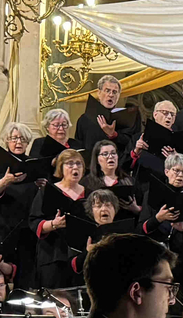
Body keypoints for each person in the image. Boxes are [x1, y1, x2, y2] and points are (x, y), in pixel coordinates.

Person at [138, 153, 183, 279]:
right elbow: (141, 229)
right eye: (176, 171)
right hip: (156, 255)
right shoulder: (151, 194)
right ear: (167, 172)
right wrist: (158, 219)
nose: (180, 175)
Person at [29, 149, 88, 289]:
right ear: (61, 168)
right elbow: (34, 220)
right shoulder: (48, 191)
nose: (75, 167)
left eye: (79, 164)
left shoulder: (90, 193)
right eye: (70, 164)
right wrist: (53, 224)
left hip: (81, 257)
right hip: (53, 254)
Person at [0, 122, 39, 289]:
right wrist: (4, 182)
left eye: (22, 139)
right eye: (14, 138)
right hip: (4, 225)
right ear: (6, 141)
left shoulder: (34, 164)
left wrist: (42, 184)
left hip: (28, 227)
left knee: (27, 272)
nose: (18, 142)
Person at [74, 75, 141, 154]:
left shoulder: (129, 117)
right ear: (99, 93)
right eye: (107, 90)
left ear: (118, 96)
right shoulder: (84, 119)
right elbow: (79, 146)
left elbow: (132, 144)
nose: (111, 95)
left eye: (115, 92)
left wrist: (114, 135)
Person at [125, 100, 181, 186]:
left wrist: (176, 159)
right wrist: (135, 152)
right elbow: (124, 167)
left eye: (172, 114)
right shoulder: (139, 138)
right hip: (143, 187)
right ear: (155, 114)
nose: (169, 117)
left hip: (168, 187)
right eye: (165, 113)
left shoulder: (179, 140)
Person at [82, 139, 141, 217]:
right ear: (97, 159)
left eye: (113, 153)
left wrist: (137, 209)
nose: (110, 156)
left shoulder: (130, 181)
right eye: (105, 154)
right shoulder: (87, 183)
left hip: (125, 223)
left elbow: (143, 207)